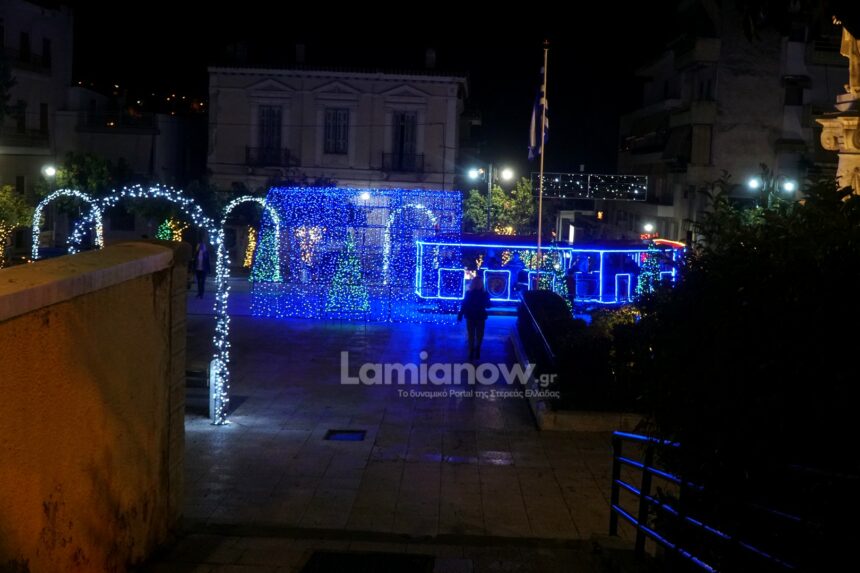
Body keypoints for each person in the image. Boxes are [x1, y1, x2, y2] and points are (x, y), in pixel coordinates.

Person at [458, 277, 491, 360]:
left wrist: (461, 314)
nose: (477, 284)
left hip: (474, 316)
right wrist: (460, 314)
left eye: (478, 283)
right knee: (475, 334)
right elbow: (464, 304)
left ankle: (474, 350)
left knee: (474, 334)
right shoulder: (482, 293)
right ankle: (474, 349)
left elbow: (464, 304)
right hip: (476, 316)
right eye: (477, 283)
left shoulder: (471, 293)